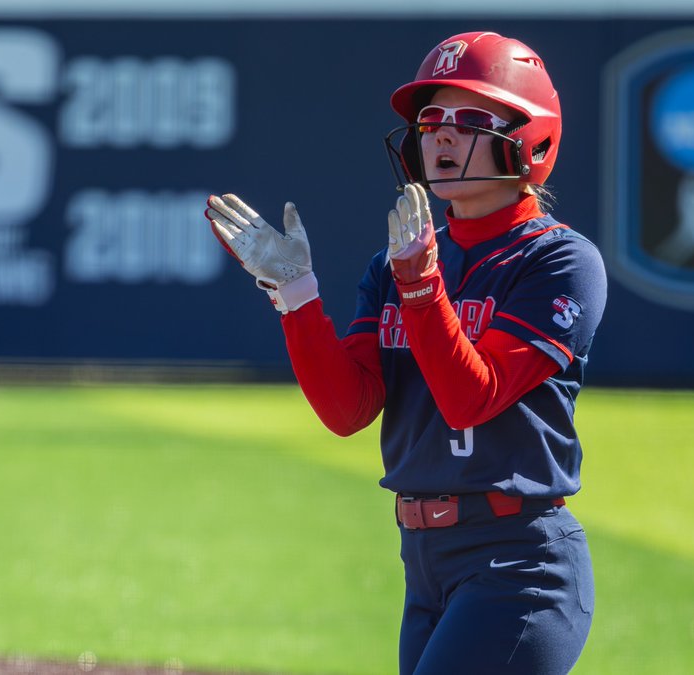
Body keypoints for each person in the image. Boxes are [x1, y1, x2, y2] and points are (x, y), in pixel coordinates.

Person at [204, 31, 606, 674]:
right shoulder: (398, 264)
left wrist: (423, 287)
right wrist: (296, 295)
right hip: (423, 566)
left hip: (517, 563)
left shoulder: (560, 259)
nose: (441, 135)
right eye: (430, 120)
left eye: (470, 118)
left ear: (532, 139)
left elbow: (470, 398)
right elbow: (347, 409)